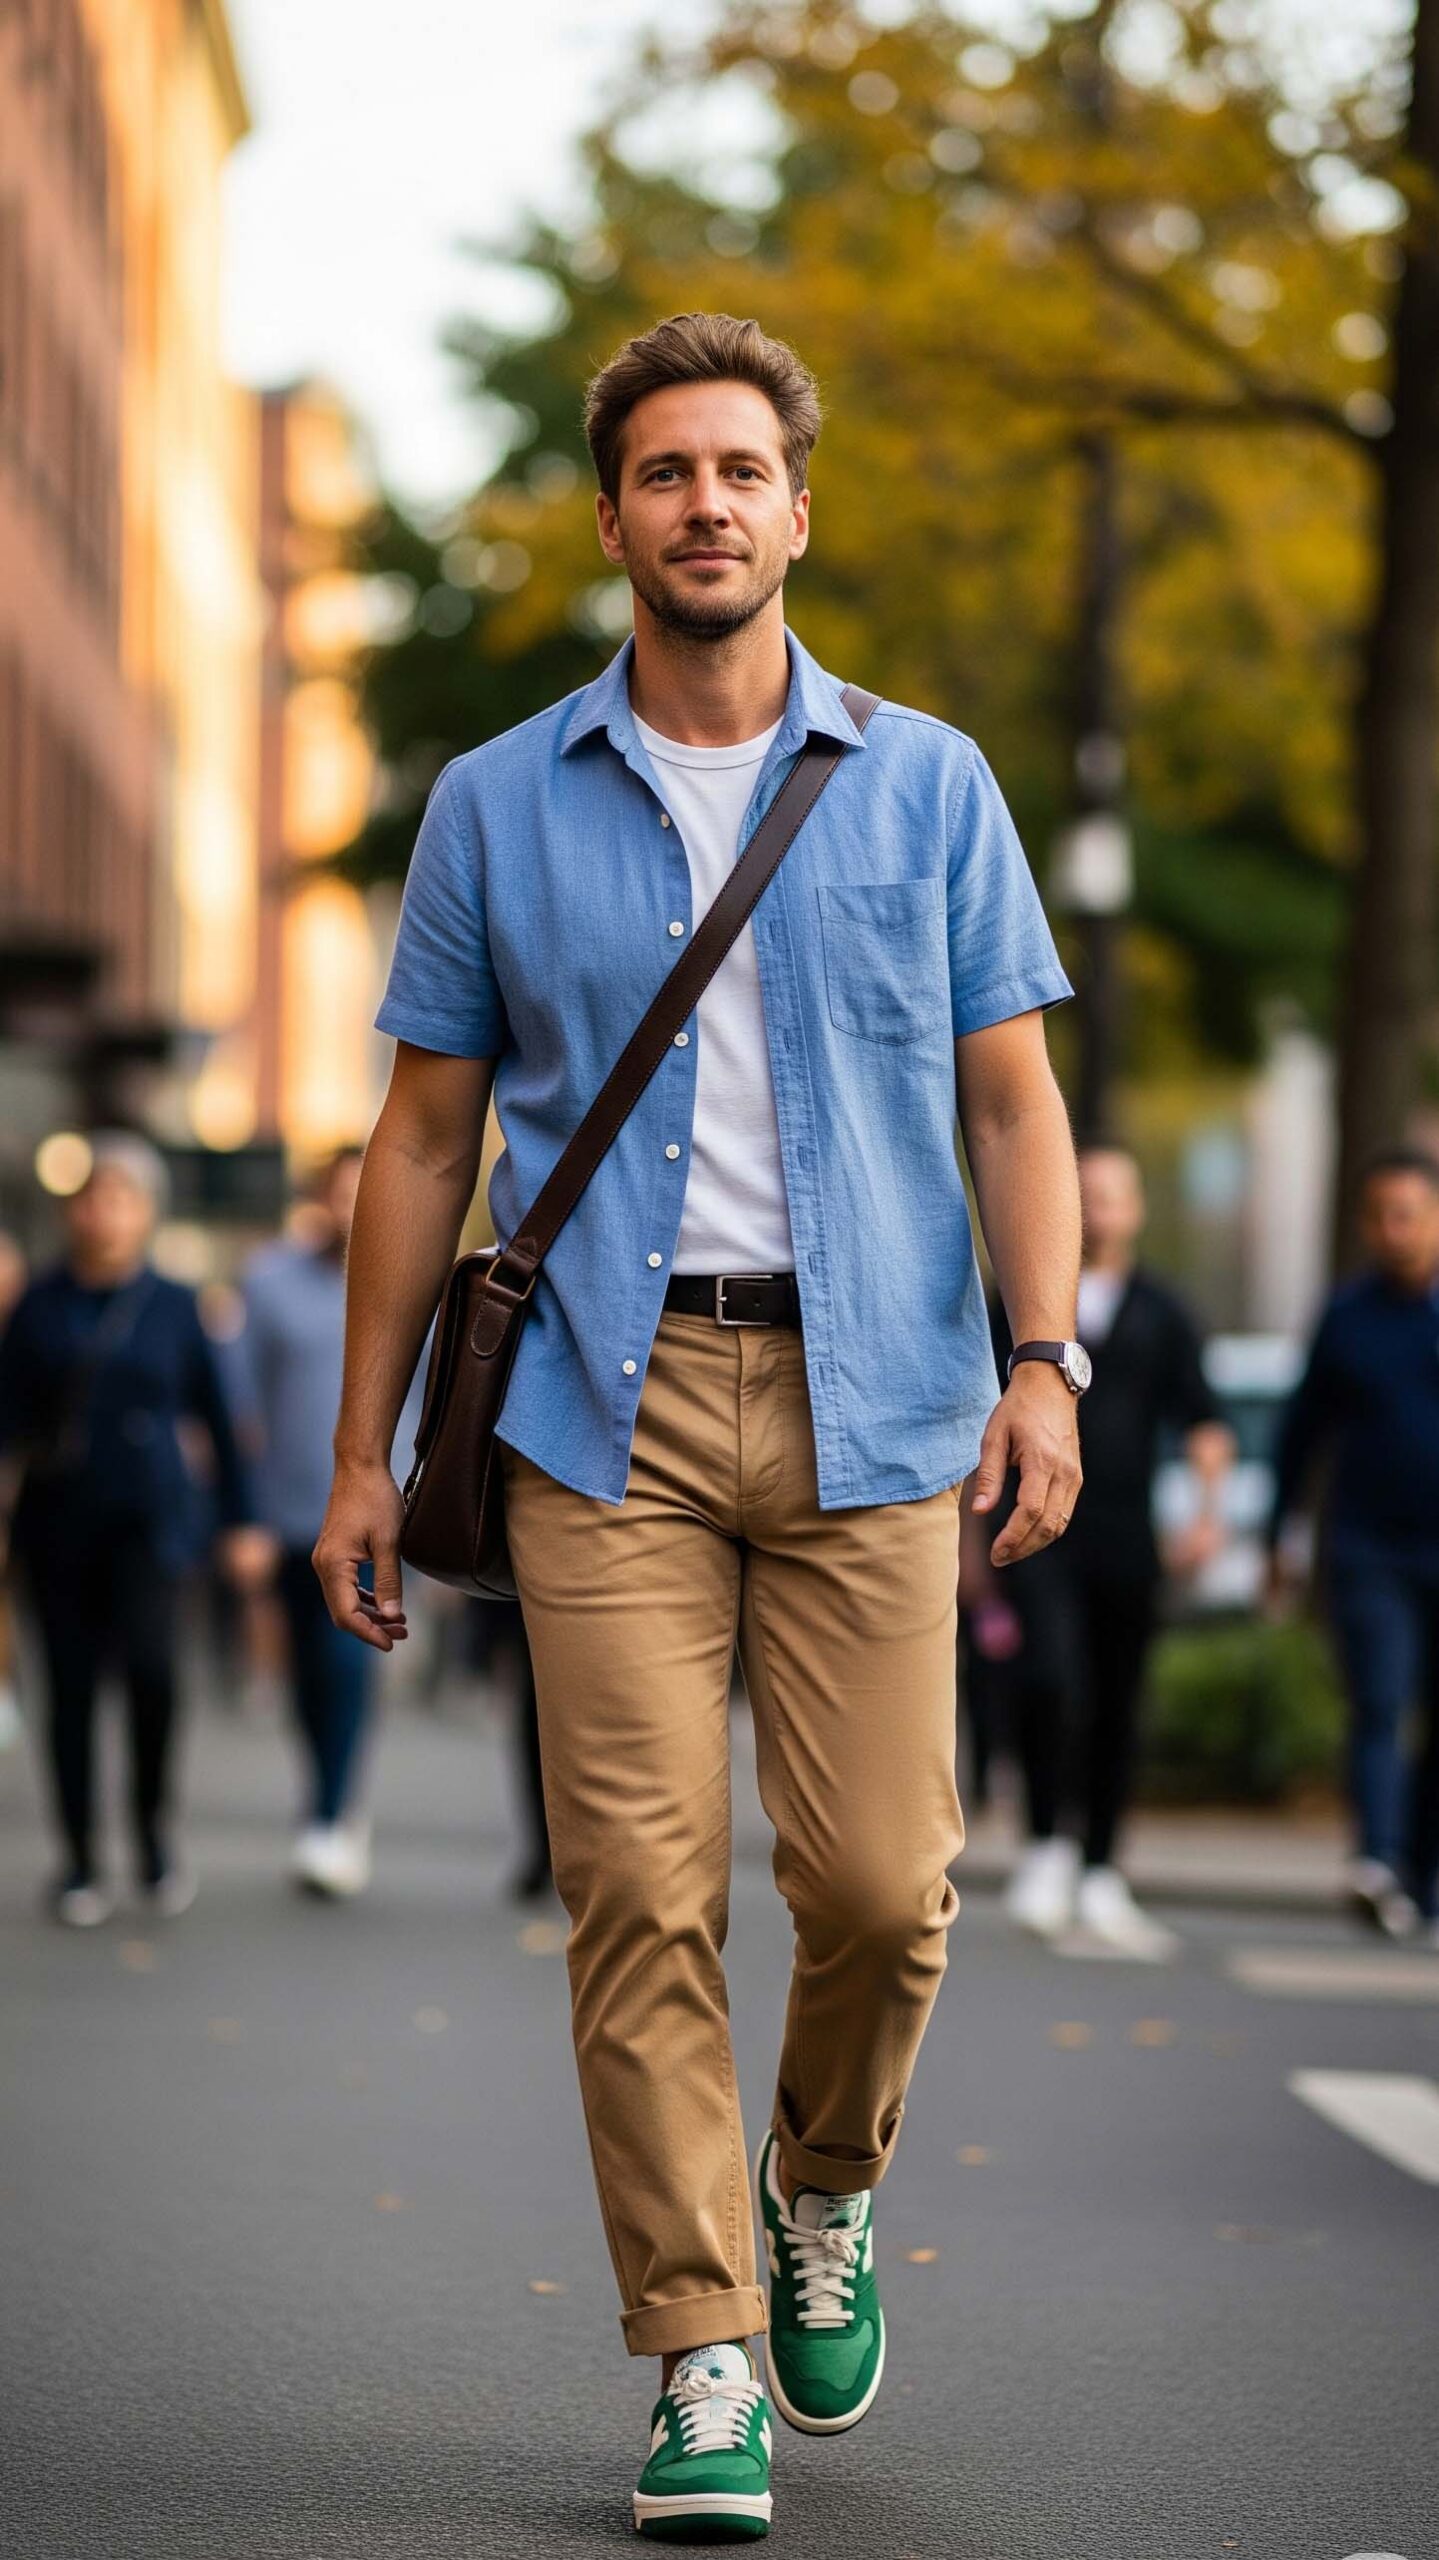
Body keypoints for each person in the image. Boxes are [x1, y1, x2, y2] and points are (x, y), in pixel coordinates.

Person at [313, 312, 1084, 2543]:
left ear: (795, 511)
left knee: (879, 1886)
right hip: (599, 1408)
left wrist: (1043, 1355)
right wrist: (363, 1449)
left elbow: (1009, 1098)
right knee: (637, 1891)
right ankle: (699, 2347)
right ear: (611, 520)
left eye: (740, 469)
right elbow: (420, 1137)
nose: (705, 504)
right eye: (664, 472)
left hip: (879, 1396)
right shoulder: (494, 801)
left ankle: (817, 2182)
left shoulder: (925, 784)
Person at [0, 1134, 267, 1925]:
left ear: (146, 1212)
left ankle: (152, 1835)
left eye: (120, 1198)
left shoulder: (176, 1304)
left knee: (153, 1674)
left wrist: (242, 1522)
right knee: (70, 1691)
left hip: (152, 1523)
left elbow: (219, 1418)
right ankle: (80, 1858)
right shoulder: (39, 1303)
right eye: (91, 1198)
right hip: (58, 1521)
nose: (103, 1213)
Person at [992, 1144, 1234, 1956]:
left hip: (1126, 1535)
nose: (1097, 1211)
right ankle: (1043, 1848)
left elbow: (1204, 1422)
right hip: (1034, 1529)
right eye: (1083, 1195)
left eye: (1110, 1196)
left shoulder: (1162, 1311)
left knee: (1117, 1697)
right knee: (1048, 1677)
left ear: (1134, 1210)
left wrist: (1206, 1515)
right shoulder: (1020, 1302)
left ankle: (1099, 1867)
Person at [233, 1148, 415, 1897]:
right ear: (320, 1199)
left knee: (347, 1661)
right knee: (308, 1672)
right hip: (288, 1510)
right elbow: (240, 1405)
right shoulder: (269, 1281)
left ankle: (333, 1818)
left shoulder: (417, 1283)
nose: (352, 1207)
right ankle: (327, 1797)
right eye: (342, 1193)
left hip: (375, 1515)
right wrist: (242, 1516)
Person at [1269, 1147, 1439, 1942]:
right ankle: (1375, 1858)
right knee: (1379, 1699)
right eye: (1377, 1216)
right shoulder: (1347, 1316)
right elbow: (1300, 1432)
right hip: (1369, 1549)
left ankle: (1420, 1878)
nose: (1391, 1230)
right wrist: (1280, 1532)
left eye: (1406, 1214)